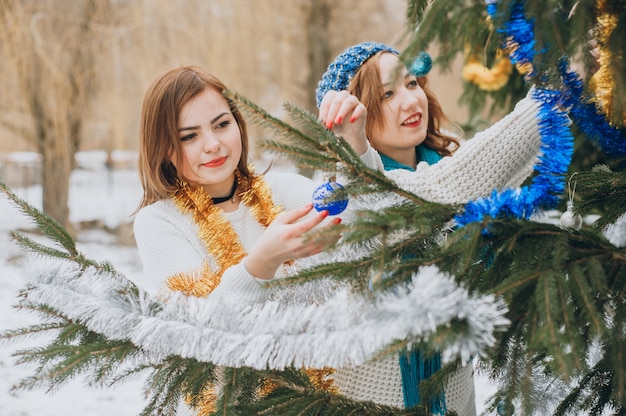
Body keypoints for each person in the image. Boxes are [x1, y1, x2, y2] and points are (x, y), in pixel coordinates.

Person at [315, 41, 551, 415]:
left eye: (412, 84)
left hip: (455, 395)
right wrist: (556, 92)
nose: (410, 101)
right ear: (354, 115)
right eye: (387, 94)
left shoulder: (444, 162)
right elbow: (410, 197)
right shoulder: (341, 195)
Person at [132, 65, 343, 414]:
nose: (213, 145)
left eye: (221, 124)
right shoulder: (157, 223)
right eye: (189, 136)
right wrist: (260, 265)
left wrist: (352, 142)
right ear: (164, 148)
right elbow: (202, 331)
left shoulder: (278, 190)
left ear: (238, 124)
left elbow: (354, 210)